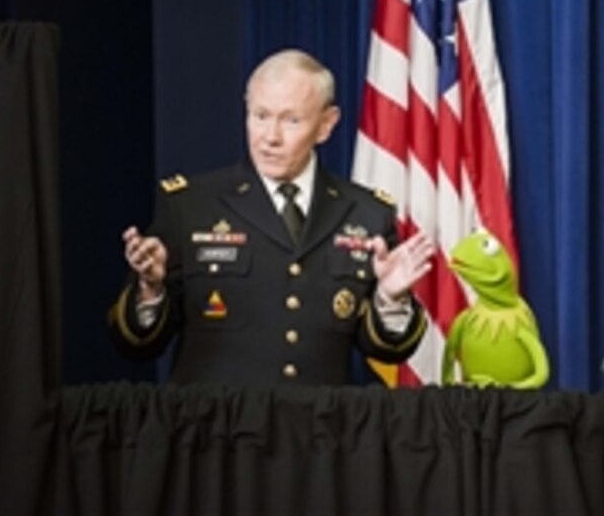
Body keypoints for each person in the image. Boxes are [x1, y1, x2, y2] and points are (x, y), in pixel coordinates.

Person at [108, 49, 435, 385]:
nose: (270, 138)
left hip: (319, 430)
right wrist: (150, 289)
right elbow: (137, 345)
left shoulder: (367, 212)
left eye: (291, 120)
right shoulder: (191, 206)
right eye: (260, 116)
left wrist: (390, 298)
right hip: (217, 429)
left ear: (326, 125)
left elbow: (386, 350)